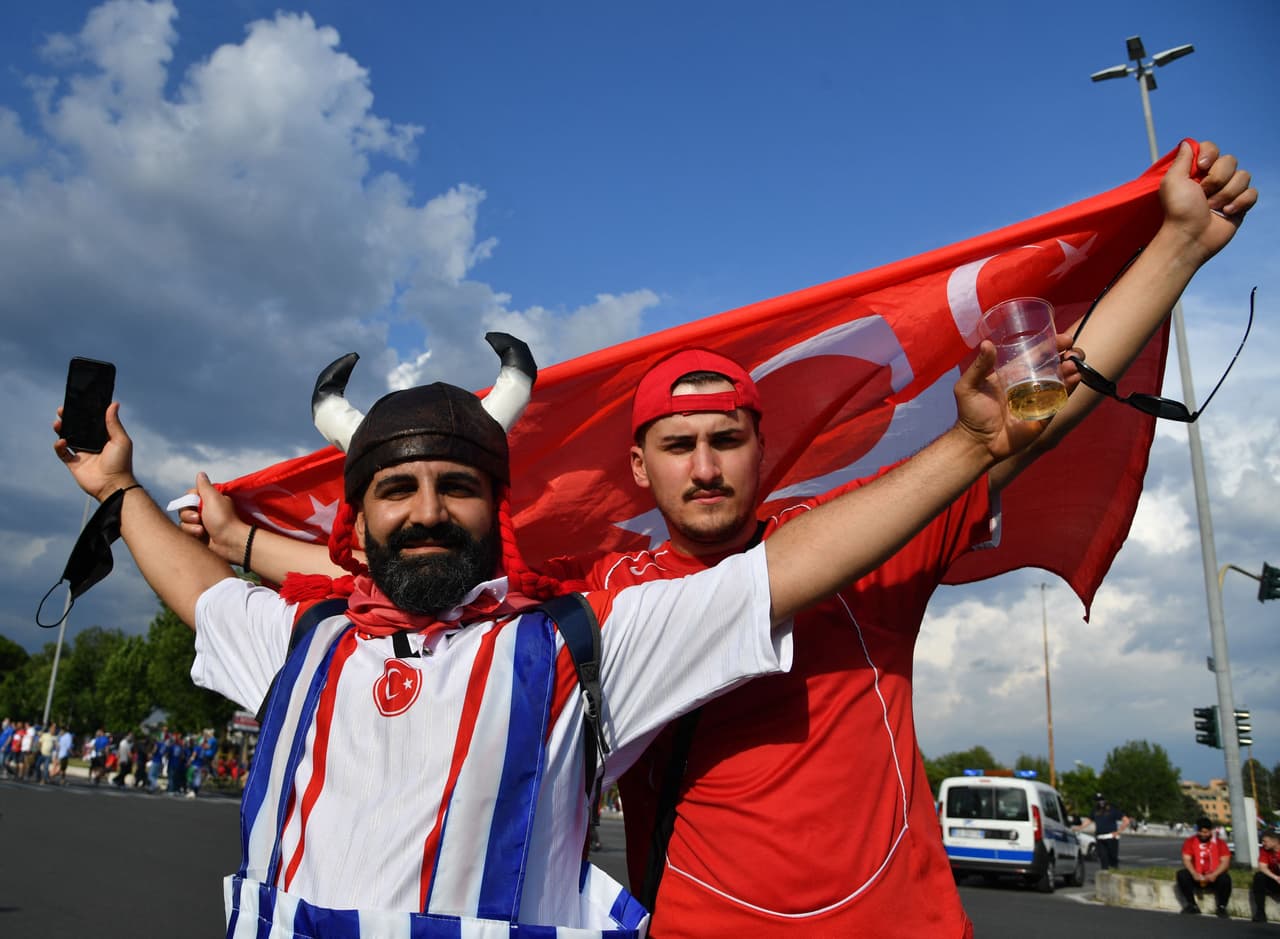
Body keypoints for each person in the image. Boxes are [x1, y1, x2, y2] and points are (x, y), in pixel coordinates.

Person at [182, 140, 1254, 935]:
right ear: (638, 469)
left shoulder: (864, 539)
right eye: (677, 443)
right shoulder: (601, 594)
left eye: (725, 439)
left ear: (760, 448)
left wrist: (1174, 247)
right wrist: (238, 545)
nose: (704, 465)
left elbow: (1029, 420)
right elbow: (411, 578)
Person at [54, 327, 1054, 935]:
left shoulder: (578, 650)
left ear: (499, 515)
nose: (427, 510)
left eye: (457, 488)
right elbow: (201, 591)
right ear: (356, 526)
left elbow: (786, 568)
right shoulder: (308, 645)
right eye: (396, 489)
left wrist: (970, 441)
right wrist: (121, 489)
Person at [1177, 816, 1233, 917]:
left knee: (1225, 879)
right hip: (1197, 876)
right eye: (1201, 832)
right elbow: (1186, 859)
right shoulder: (1190, 842)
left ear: (1211, 831)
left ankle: (1222, 907)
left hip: (1213, 877)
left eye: (1206, 832)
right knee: (1182, 875)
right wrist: (1194, 873)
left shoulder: (1220, 843)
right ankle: (1192, 905)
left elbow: (1225, 862)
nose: (1203, 835)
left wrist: (1214, 874)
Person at [1092, 795, 1132, 871]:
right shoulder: (1095, 811)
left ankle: (1114, 874)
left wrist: (1118, 832)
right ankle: (1105, 876)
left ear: (1106, 801)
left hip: (1111, 837)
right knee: (1103, 858)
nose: (1100, 802)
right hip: (1100, 838)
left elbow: (1126, 821)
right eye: (1097, 800)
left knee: (1112, 859)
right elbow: (1089, 820)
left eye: (1101, 800)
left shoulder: (1112, 810)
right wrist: (1079, 827)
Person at [1252, 827, 1280, 923]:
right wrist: (1276, 877)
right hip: (1274, 880)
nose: (1263, 843)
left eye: (1265, 841)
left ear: (1274, 841)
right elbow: (1262, 867)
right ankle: (1260, 912)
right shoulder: (1264, 850)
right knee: (1259, 877)